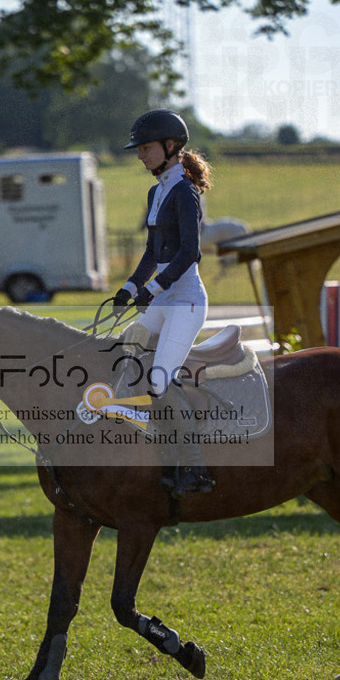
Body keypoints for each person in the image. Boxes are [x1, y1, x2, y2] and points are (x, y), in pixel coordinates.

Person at [113, 109, 214, 498]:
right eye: (139, 149)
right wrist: (128, 288)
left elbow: (190, 252)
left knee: (158, 378)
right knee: (126, 348)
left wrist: (151, 291)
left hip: (186, 300)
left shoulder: (185, 190)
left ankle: (194, 467)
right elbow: (152, 253)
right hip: (164, 296)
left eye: (146, 148)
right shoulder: (156, 192)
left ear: (170, 147)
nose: (141, 155)